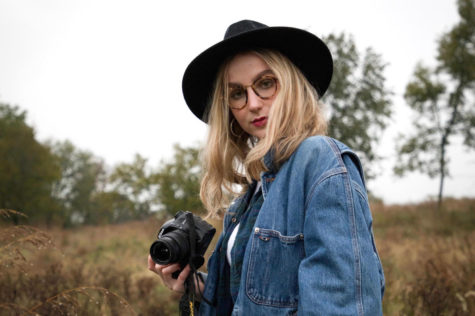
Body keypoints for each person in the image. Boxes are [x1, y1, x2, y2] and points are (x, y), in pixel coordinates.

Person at [148, 19, 385, 315]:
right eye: (237, 93)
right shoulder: (248, 198)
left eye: (265, 83)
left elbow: (341, 305)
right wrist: (193, 286)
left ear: (291, 85)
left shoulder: (320, 160)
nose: (253, 103)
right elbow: (249, 301)